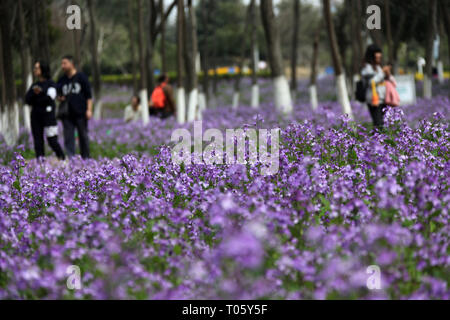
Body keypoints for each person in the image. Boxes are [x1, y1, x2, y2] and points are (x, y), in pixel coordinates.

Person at [25, 61, 66, 161]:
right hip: (36, 116)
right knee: (38, 141)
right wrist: (36, 94)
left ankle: (62, 159)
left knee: (52, 140)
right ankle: (41, 163)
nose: (35, 70)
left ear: (43, 69)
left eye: (37, 68)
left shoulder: (51, 84)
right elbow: (27, 99)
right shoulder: (35, 85)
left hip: (48, 117)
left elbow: (49, 98)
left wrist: (39, 94)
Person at [57, 55, 93, 159]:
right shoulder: (61, 80)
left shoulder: (81, 77)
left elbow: (88, 95)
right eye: (62, 64)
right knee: (68, 138)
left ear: (71, 64)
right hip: (67, 114)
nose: (62, 66)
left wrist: (89, 110)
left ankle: (86, 158)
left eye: (64, 63)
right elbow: (58, 93)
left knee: (83, 136)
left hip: (81, 113)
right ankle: (71, 159)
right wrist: (59, 98)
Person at [361, 45, 392, 129]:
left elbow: (387, 81)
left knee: (384, 123)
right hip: (374, 100)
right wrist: (382, 72)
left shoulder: (378, 67)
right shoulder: (367, 68)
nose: (379, 59)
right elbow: (372, 82)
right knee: (378, 124)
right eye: (377, 57)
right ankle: (377, 141)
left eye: (380, 57)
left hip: (383, 99)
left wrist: (388, 74)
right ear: (372, 57)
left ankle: (381, 140)